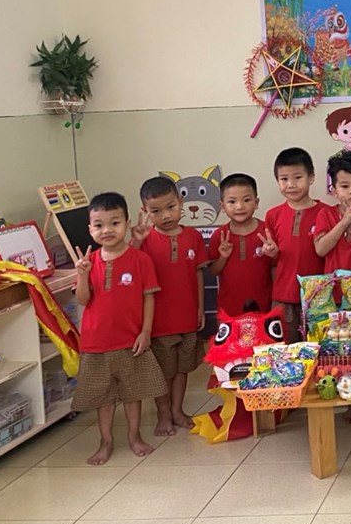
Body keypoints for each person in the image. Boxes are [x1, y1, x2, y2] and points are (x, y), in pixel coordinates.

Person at [71, 191, 168, 465]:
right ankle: (106, 441)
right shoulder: (89, 263)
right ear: (90, 229)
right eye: (99, 225)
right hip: (96, 343)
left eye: (114, 223)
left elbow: (149, 298)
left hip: (130, 341)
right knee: (103, 398)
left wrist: (145, 332)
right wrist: (81, 275)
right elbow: (82, 300)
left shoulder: (140, 260)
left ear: (127, 224)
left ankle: (134, 436)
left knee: (133, 394)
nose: (107, 230)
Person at [133, 176, 209, 436]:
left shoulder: (193, 236)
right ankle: (164, 414)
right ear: (145, 211)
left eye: (171, 207)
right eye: (155, 211)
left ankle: (177, 410)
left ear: (181, 202)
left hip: (187, 316)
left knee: (182, 368)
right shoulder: (144, 240)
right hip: (158, 320)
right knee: (164, 371)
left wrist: (200, 308)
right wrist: (137, 241)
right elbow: (130, 264)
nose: (165, 215)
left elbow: (198, 274)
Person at [264, 147, 325, 342]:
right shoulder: (273, 215)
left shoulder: (326, 212)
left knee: (320, 350)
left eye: (298, 177)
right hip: (284, 297)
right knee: (284, 350)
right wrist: (271, 252)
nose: (291, 184)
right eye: (284, 179)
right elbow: (274, 260)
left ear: (311, 177)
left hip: (319, 298)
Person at [208, 173, 275, 316]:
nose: (239, 206)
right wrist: (223, 257)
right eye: (232, 202)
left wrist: (273, 254)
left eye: (246, 200)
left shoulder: (267, 232)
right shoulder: (219, 235)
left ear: (256, 202)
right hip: (228, 311)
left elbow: (276, 267)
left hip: (264, 308)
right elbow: (213, 271)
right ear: (222, 206)